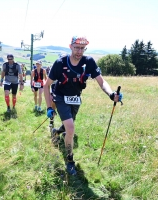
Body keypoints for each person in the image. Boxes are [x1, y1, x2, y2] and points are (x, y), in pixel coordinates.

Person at [44, 36, 123, 175]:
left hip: (75, 97)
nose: (79, 51)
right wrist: (49, 107)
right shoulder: (60, 63)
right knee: (71, 128)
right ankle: (70, 161)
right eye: (76, 47)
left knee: (69, 125)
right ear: (70, 47)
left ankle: (56, 132)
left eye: (82, 48)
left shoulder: (89, 62)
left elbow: (101, 81)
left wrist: (111, 94)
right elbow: (46, 86)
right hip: (60, 96)